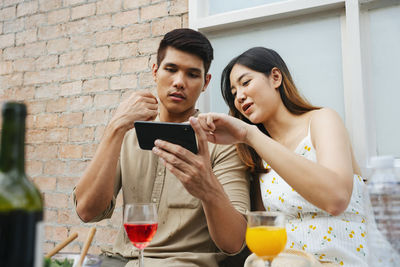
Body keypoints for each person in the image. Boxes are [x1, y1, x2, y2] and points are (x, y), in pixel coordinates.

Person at [196, 47, 399, 266]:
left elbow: (336, 198)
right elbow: (259, 229)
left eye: (245, 83)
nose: (240, 97)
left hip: (345, 259)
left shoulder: (322, 120)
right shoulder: (257, 155)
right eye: (234, 94)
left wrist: (250, 135)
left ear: (275, 77)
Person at [73, 28, 250, 267]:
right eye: (171, 69)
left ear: (205, 82)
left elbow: (234, 243)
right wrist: (115, 128)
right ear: (155, 72)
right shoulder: (126, 134)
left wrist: (207, 187)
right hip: (119, 261)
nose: (179, 82)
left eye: (192, 74)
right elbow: (87, 212)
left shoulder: (222, 143)